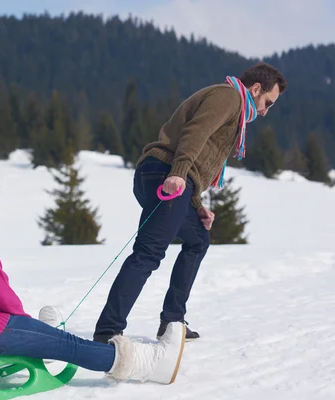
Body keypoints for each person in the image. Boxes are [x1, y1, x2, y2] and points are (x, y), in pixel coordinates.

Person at [0, 148, 187, 386]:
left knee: (45, 336)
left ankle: (41, 338)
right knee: (68, 344)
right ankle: (148, 364)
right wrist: (29, 327)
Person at [92, 62, 287, 345]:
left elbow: (198, 162)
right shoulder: (229, 97)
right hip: (165, 171)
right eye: (267, 102)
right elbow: (195, 132)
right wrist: (178, 174)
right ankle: (108, 331)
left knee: (198, 239)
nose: (265, 111)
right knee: (148, 253)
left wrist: (196, 205)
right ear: (255, 89)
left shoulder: (234, 106)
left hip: (170, 175)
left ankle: (172, 320)